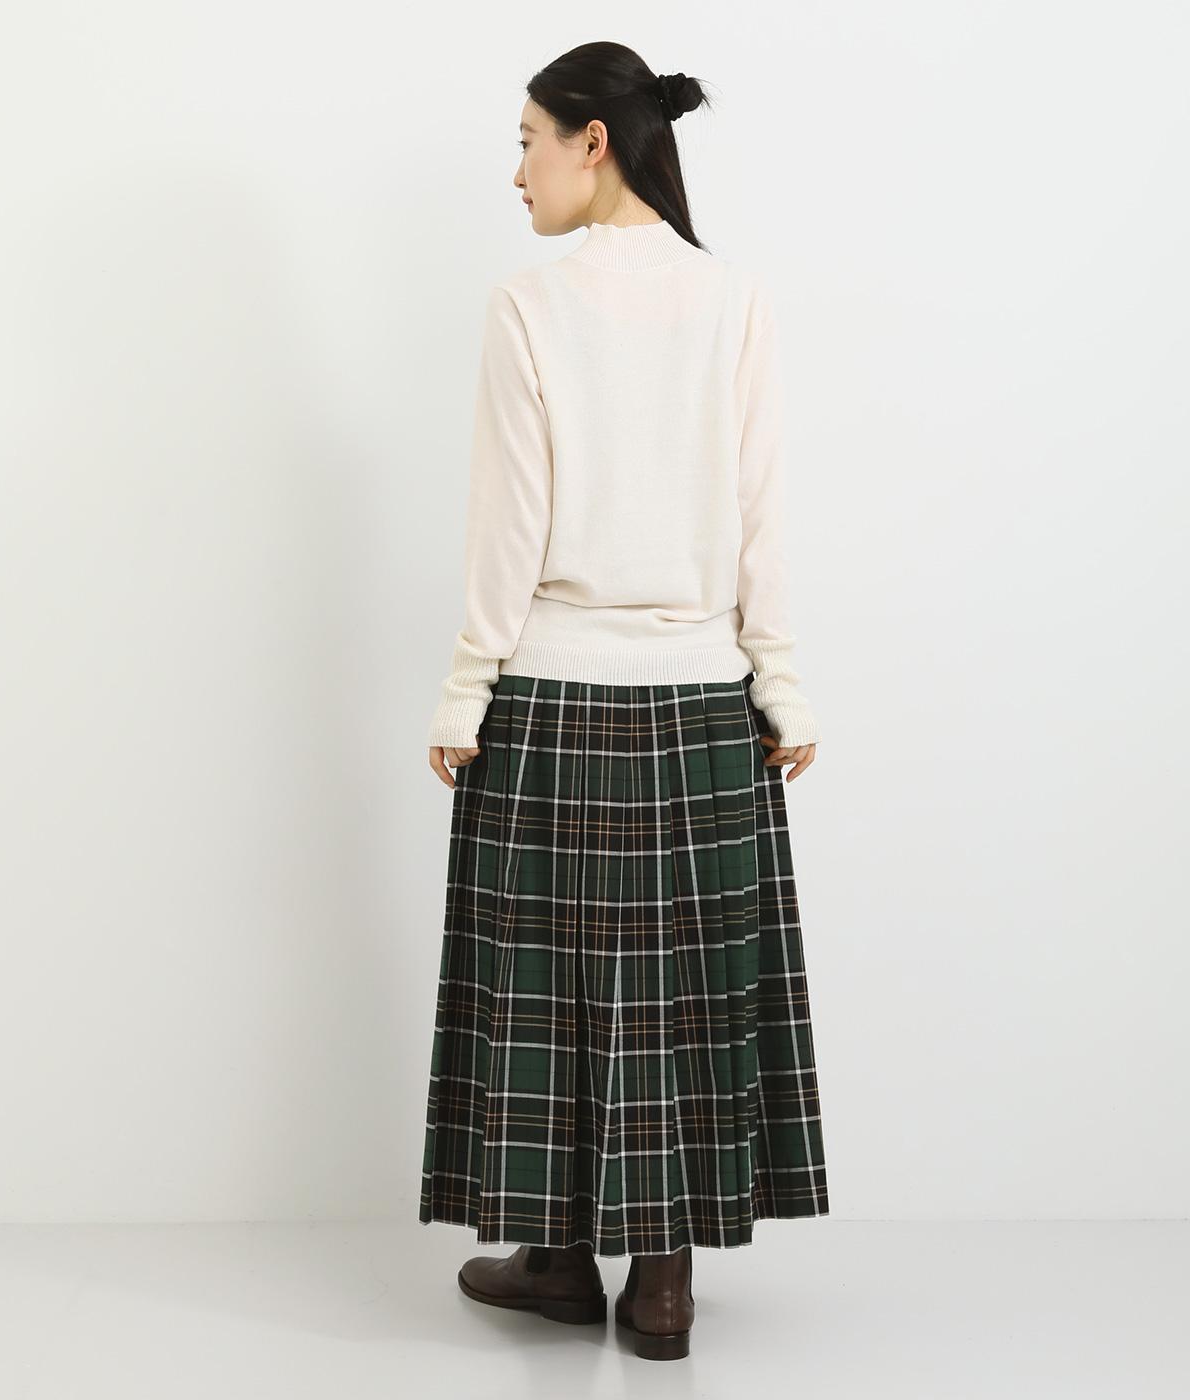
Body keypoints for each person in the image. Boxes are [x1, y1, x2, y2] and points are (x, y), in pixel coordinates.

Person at [417, 42, 829, 1362]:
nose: (516, 171)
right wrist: (781, 681)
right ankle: (661, 1286)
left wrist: (466, 690)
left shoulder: (530, 306)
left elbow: (509, 526)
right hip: (702, 701)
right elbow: (762, 512)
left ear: (593, 141)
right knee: (685, 996)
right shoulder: (734, 298)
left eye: (528, 140)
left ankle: (555, 1259)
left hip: (552, 694)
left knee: (548, 987)